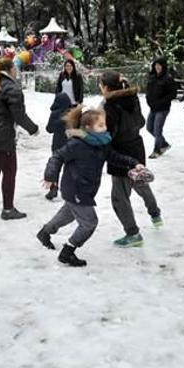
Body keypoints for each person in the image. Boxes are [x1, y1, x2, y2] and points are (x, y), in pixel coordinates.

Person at [38, 106, 142, 266]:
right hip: (76, 189)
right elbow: (57, 157)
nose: (104, 128)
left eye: (104, 124)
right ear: (88, 128)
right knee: (89, 223)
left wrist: (133, 163)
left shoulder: (102, 143)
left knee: (69, 213)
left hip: (84, 189)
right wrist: (50, 176)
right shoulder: (77, 144)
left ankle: (45, 232)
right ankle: (68, 252)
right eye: (100, 125)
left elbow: (114, 157)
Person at [101, 71, 163, 248]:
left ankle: (132, 233)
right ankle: (155, 214)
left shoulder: (110, 105)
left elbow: (108, 134)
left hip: (120, 152)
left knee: (119, 197)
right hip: (137, 147)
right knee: (140, 182)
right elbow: (141, 122)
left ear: (105, 87)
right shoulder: (132, 98)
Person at [0, 56, 39, 220]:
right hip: (3, 136)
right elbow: (18, 114)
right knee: (9, 171)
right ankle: (8, 209)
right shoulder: (10, 87)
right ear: (12, 69)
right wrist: (33, 129)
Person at [44, 92, 73, 200]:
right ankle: (69, 188)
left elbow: (49, 129)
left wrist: (58, 123)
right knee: (70, 167)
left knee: (55, 167)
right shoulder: (73, 113)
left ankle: (53, 187)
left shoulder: (55, 114)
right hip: (71, 144)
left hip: (57, 144)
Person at [145, 57, 176, 158]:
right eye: (155, 65)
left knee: (157, 129)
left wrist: (161, 102)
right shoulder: (152, 77)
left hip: (162, 108)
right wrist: (148, 100)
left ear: (163, 66)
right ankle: (164, 144)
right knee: (149, 128)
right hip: (153, 108)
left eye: (159, 65)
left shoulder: (168, 78)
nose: (157, 67)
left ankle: (157, 150)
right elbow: (148, 91)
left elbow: (172, 94)